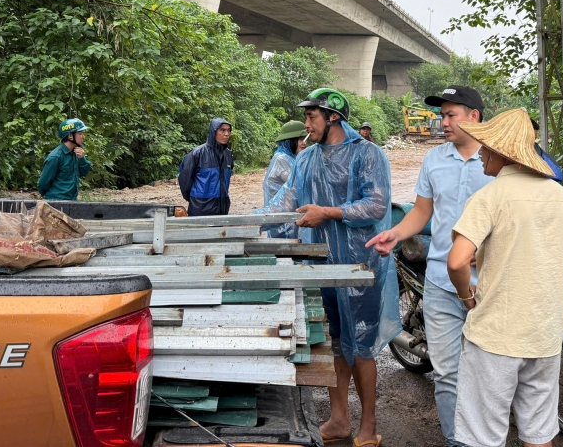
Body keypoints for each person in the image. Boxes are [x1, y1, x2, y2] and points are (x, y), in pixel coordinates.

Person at [259, 88, 399, 447]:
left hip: (360, 263)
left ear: (333, 117)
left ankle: (369, 425)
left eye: (312, 117)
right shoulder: (306, 160)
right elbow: (284, 202)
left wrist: (329, 212)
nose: (306, 124)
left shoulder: (367, 155)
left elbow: (376, 206)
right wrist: (244, 224)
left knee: (362, 345)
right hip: (320, 261)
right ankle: (339, 419)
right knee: (334, 340)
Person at [447, 108, 563, 447]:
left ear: (502, 151)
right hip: (544, 336)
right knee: (539, 430)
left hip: (495, 336)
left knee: (484, 434)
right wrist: (553, 305)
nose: (481, 152)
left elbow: (456, 262)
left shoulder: (489, 197)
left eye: (486, 146)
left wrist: (467, 298)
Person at [366, 86, 492, 447]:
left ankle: (490, 436)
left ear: (474, 117)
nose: (443, 121)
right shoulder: (435, 159)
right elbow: (422, 212)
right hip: (440, 281)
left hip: (489, 284)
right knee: (447, 372)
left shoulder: (498, 160)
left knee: (489, 371)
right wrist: (395, 233)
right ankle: (458, 441)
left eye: (451, 114)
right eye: (442, 114)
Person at [178, 117, 234, 216]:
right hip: (200, 206)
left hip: (222, 206)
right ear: (214, 132)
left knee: (220, 232)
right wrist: (194, 199)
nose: (226, 134)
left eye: (228, 130)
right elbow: (185, 180)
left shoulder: (228, 155)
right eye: (222, 130)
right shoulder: (197, 153)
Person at [37, 118, 91, 201]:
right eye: (80, 134)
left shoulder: (76, 153)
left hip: (72, 201)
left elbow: (84, 173)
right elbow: (43, 183)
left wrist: (82, 159)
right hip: (56, 202)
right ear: (70, 136)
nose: (83, 137)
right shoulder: (55, 157)